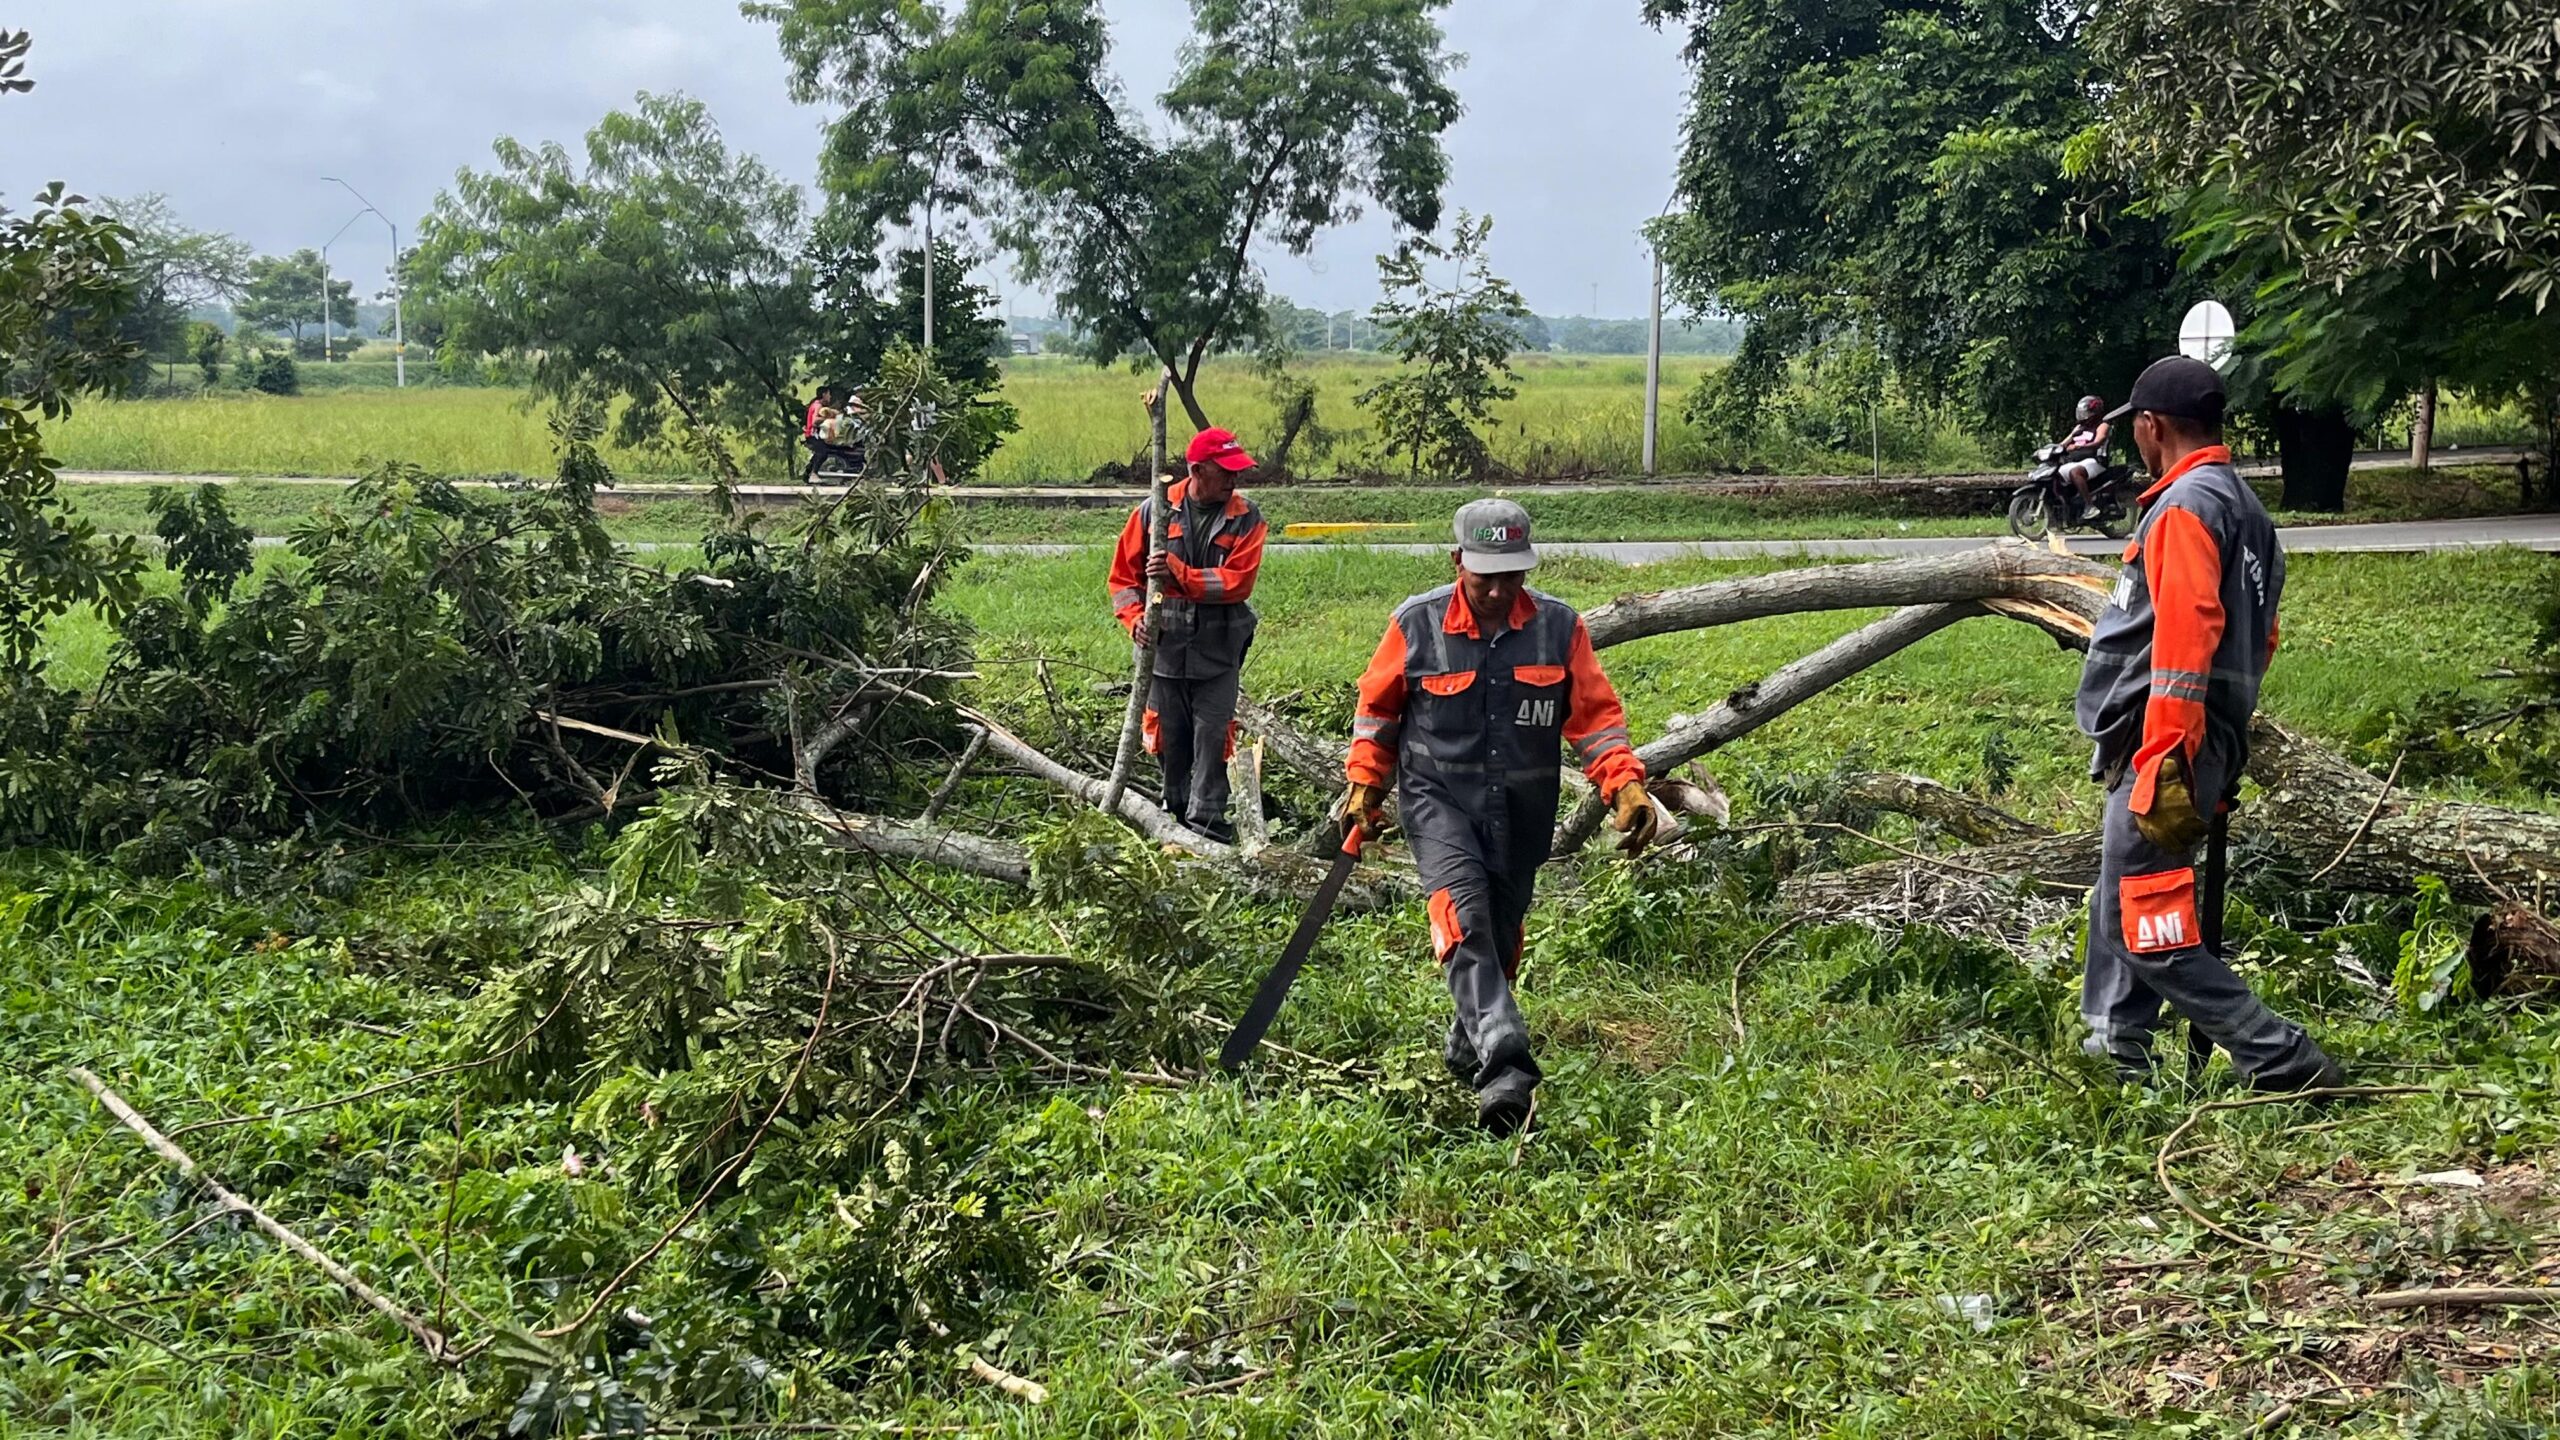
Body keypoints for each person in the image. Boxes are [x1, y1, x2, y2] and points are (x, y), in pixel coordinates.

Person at [1341, 499, 1656, 1135]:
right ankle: (1506, 1065)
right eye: (1485, 574)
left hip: (1522, 807)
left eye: (1510, 574)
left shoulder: (1558, 629)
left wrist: (1624, 785)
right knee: (1465, 918)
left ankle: (1467, 1044)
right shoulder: (1416, 625)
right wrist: (1366, 789)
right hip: (1438, 800)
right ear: (1459, 561)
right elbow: (1378, 714)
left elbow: (1594, 717)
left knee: (1503, 931)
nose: (1496, 588)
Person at [2076, 356, 2341, 1092]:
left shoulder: (2188, 506)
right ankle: (2114, 1053)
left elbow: (2189, 633)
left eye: (2138, 431)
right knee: (2122, 896)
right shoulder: (2246, 510)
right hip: (2199, 735)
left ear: (2152, 427)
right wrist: (2219, 743)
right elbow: (2264, 639)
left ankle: (2280, 1055)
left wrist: (2168, 754)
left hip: (2162, 739)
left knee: (2148, 924)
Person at [1107, 427, 1269, 843]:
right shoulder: (1152, 513)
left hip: (1218, 654)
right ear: (1198, 470)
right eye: (1226, 471)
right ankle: (1172, 815)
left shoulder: (1247, 517)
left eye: (1237, 471)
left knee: (1214, 736)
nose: (1235, 480)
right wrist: (1134, 618)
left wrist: (1180, 574)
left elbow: (1237, 583)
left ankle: (1208, 824)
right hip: (1163, 653)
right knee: (1168, 737)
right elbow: (1123, 579)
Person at [2058, 394, 2111, 519]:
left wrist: (2079, 447)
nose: (2082, 415)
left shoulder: (2103, 425)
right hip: (2074, 461)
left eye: (2085, 412)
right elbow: (2063, 444)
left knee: (2075, 472)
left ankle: (2089, 506)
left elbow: (2098, 441)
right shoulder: (2079, 428)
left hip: (2095, 461)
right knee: (2055, 474)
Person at [802, 384, 865, 482]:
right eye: (828, 394)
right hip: (813, 435)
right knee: (823, 452)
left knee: (827, 450)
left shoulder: (817, 404)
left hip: (812, 435)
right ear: (824, 394)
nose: (830, 397)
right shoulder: (818, 405)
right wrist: (829, 417)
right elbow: (815, 421)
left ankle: (808, 474)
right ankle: (813, 474)